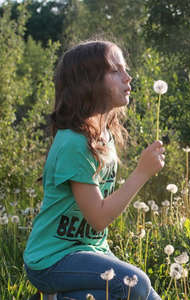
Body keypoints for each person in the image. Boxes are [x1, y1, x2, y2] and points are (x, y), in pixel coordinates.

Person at [23, 40, 164, 300]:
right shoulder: (74, 143)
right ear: (89, 82)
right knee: (136, 285)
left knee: (148, 296)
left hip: (90, 249)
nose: (127, 77)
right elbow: (98, 218)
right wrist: (142, 172)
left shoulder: (104, 136)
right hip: (52, 259)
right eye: (115, 70)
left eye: (126, 69)